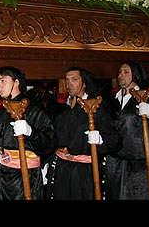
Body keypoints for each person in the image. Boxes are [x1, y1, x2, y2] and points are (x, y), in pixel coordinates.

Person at [0, 67, 56, 200]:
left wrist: (31, 132)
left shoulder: (33, 109)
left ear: (16, 82)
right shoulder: (2, 109)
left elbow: (50, 142)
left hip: (25, 176)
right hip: (1, 173)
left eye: (3, 81)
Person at [44, 67, 121, 200]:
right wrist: (46, 163)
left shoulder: (96, 109)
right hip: (61, 169)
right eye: (67, 80)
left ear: (84, 83)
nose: (69, 84)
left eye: (74, 79)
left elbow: (116, 140)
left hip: (84, 171)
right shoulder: (62, 109)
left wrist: (101, 140)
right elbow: (53, 139)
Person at [105, 61, 149, 200]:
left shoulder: (147, 97)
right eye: (119, 72)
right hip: (115, 162)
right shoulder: (112, 100)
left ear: (136, 75)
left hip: (139, 162)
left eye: (126, 72)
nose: (121, 75)